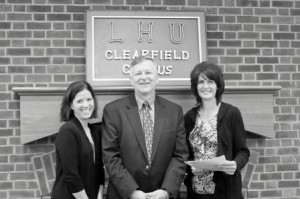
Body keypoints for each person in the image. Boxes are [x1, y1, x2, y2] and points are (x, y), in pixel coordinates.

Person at [102, 56, 189, 199]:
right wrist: (132, 191)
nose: (143, 77)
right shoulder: (113, 111)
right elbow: (110, 156)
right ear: (131, 80)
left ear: (157, 78)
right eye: (138, 74)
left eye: (148, 73)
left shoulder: (174, 111)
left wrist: (167, 191)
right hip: (124, 195)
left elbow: (180, 155)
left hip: (162, 194)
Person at [184, 62, 250, 199]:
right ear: (196, 87)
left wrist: (235, 164)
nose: (206, 86)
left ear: (218, 86)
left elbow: (243, 151)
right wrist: (190, 167)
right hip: (197, 192)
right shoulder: (189, 117)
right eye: (201, 82)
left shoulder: (231, 113)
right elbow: (185, 156)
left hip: (226, 191)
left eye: (210, 82)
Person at [51, 81, 105, 199]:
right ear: (71, 105)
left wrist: (99, 196)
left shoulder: (95, 131)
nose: (86, 105)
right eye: (79, 101)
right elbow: (71, 176)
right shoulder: (67, 131)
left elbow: (99, 170)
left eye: (89, 99)